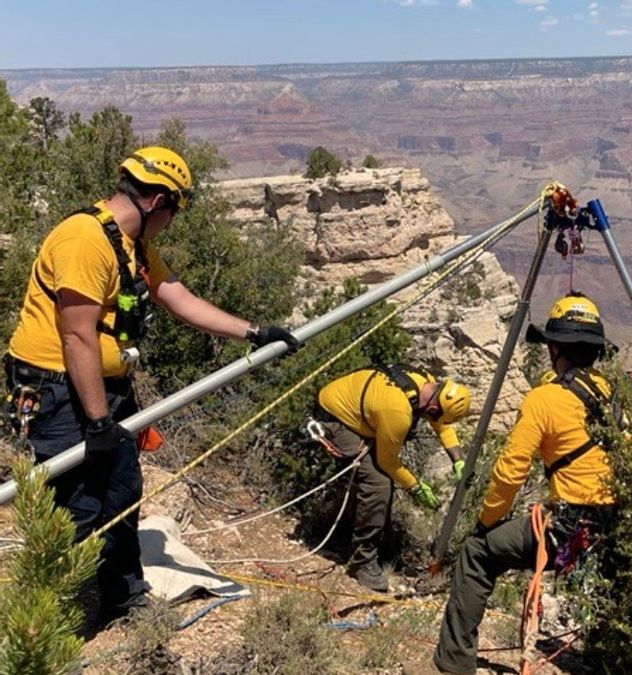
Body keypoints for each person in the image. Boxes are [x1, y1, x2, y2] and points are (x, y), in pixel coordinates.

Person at [2, 146, 300, 626]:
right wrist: (98, 422)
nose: (171, 223)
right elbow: (76, 334)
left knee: (121, 492)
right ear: (158, 201)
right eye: (174, 213)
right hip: (58, 391)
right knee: (75, 507)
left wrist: (253, 331)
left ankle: (123, 599)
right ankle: (46, 626)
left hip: (104, 389)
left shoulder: (131, 243)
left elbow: (175, 296)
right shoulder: (84, 239)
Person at [432, 291, 618, 674]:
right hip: (614, 527)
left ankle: (454, 663)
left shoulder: (543, 399)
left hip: (567, 529)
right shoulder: (616, 394)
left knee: (477, 554)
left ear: (554, 348)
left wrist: (485, 523)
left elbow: (510, 471)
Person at [308, 364, 470, 592]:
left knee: (377, 476)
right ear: (434, 406)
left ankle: (352, 531)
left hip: (358, 409)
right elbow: (388, 462)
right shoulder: (398, 412)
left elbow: (441, 425)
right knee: (379, 482)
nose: (433, 419)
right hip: (336, 418)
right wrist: (416, 487)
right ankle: (361, 562)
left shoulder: (427, 383)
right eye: (434, 414)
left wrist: (458, 459)